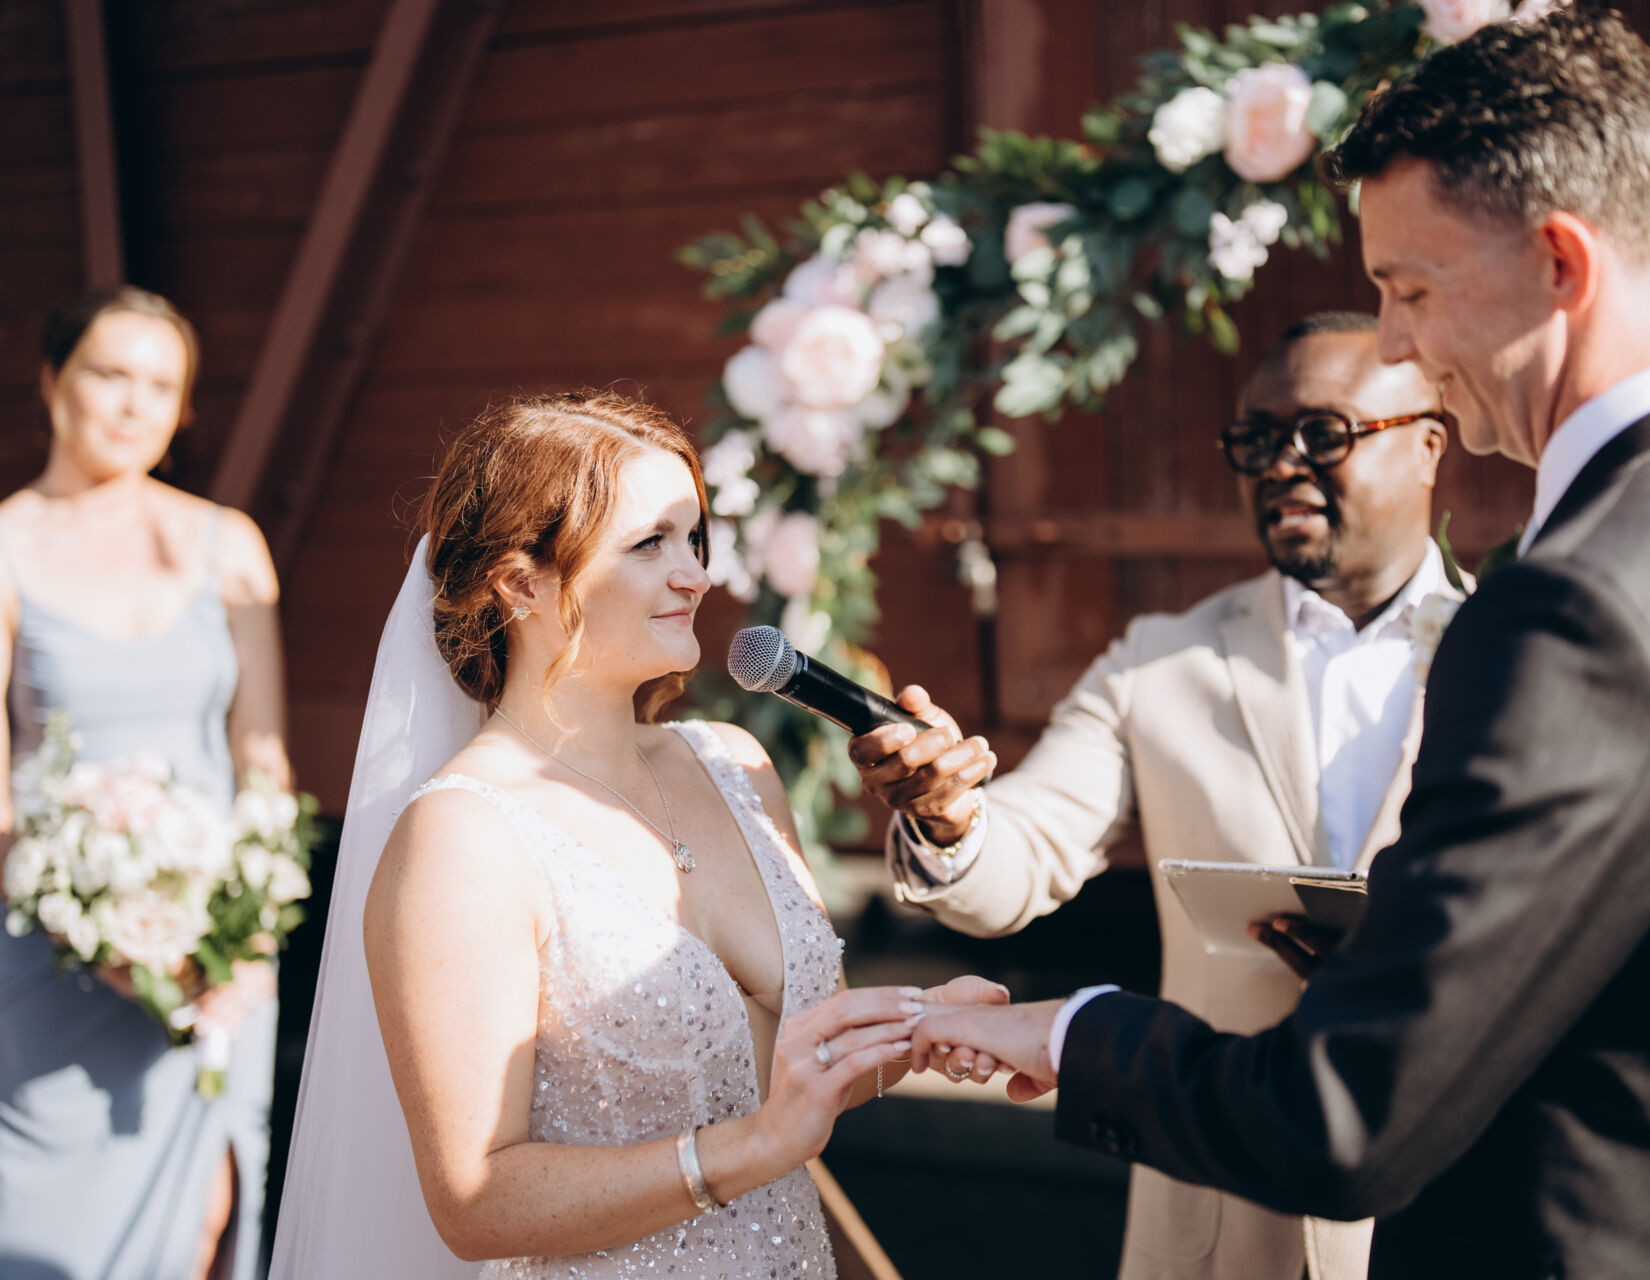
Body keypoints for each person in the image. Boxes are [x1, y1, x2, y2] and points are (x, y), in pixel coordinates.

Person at [908, 10, 1650, 1278]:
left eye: (1412, 289)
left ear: (1561, 261)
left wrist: (1077, 1033)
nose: (1397, 344)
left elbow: (1346, 1116)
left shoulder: (1574, 610)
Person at [270, 390, 1004, 1278]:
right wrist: (753, 1148)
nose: (695, 575)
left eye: (694, 538)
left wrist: (919, 1028)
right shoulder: (461, 838)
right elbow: (475, 1201)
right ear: (521, 584)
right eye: (650, 544)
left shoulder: (735, 764)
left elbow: (806, 1073)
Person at [848, 313, 1459, 1280]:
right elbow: (1028, 848)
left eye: (1324, 433)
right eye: (1257, 440)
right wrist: (949, 816)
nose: (1282, 465)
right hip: (1221, 1222)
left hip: (1441, 1209)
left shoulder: (1516, 648)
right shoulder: (1160, 660)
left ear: (1428, 444)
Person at [0, 287, 287, 1280]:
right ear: (53, 381)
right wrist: (94, 925)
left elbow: (262, 757)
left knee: (206, 1218)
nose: (134, 404)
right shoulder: (5, 545)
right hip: (51, 946)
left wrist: (250, 931)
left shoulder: (229, 545)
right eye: (110, 374)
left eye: (161, 385)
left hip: (218, 943)